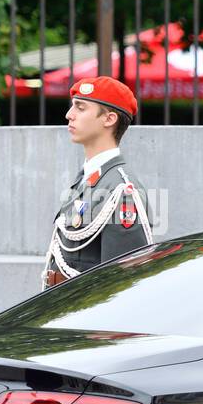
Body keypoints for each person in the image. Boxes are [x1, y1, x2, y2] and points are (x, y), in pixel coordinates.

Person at [44, 76, 155, 287]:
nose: (69, 115)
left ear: (109, 119)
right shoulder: (87, 180)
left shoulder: (121, 191)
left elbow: (122, 283)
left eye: (81, 107)